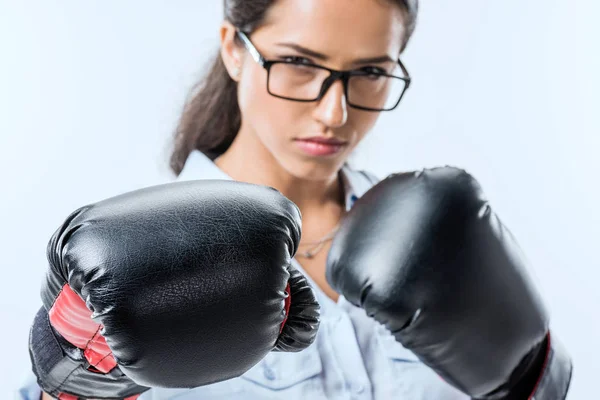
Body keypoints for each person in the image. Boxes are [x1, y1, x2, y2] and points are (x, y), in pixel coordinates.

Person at [18, 0, 573, 399]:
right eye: (300, 63)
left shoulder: (434, 232)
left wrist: (528, 380)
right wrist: (78, 379)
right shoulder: (131, 251)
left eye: (372, 72)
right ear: (235, 50)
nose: (335, 113)